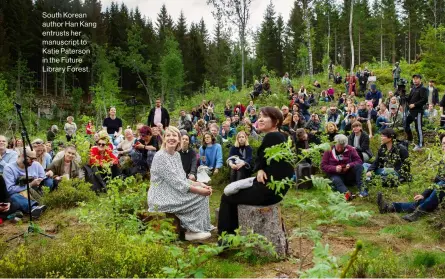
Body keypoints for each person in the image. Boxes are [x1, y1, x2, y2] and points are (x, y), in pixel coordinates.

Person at [217, 107, 294, 238]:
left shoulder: (272, 137)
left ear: (275, 121)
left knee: (227, 197)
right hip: (274, 189)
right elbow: (263, 159)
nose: (260, 119)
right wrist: (261, 169)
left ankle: (226, 240)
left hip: (268, 191)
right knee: (233, 194)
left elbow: (284, 168)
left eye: (265, 116)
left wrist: (261, 169)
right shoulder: (279, 136)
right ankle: (232, 234)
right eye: (259, 116)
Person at [147, 126, 214, 241]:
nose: (171, 138)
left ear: (179, 139)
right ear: (164, 139)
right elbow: (176, 182)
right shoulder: (160, 156)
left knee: (202, 194)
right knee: (200, 196)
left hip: (171, 190)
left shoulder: (176, 155)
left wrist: (199, 184)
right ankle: (192, 231)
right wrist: (199, 190)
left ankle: (203, 226)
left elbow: (182, 178)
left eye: (174, 136)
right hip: (160, 196)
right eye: (168, 135)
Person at [377, 134, 445, 222]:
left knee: (442, 185)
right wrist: (424, 194)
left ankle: (418, 213)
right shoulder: (443, 161)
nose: (444, 146)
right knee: (421, 200)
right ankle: (390, 207)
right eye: (443, 144)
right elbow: (436, 181)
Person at [3, 147, 48, 219]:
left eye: (35, 158)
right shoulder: (9, 168)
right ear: (22, 156)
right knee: (13, 196)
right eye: (31, 158)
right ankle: (33, 208)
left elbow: (43, 178)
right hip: (18, 194)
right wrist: (30, 184)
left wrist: (39, 180)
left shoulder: (36, 165)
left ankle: (38, 206)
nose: (33, 161)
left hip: (34, 191)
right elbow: (10, 189)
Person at [321, 134, 366, 199]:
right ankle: (347, 194)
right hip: (336, 175)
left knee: (359, 167)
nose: (339, 149)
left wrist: (350, 165)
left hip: (348, 174)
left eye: (342, 147)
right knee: (336, 180)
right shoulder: (328, 150)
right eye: (338, 147)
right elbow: (323, 166)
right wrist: (334, 168)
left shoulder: (350, 149)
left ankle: (362, 189)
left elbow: (359, 161)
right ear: (334, 144)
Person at [405, 74, 428, 151]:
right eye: (414, 78)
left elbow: (424, 100)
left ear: (420, 79)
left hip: (418, 111)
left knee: (418, 128)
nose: (415, 80)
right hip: (411, 111)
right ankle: (410, 139)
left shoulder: (423, 89)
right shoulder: (413, 88)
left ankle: (420, 144)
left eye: (416, 78)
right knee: (405, 123)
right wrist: (403, 96)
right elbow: (409, 98)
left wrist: (414, 105)